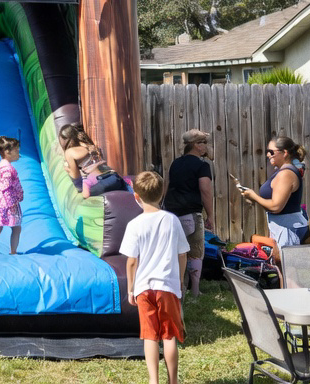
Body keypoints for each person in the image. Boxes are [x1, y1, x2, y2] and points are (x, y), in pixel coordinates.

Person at [122, 170, 189, 384]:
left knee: (150, 336)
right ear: (162, 194)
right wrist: (179, 279)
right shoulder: (171, 220)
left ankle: (153, 380)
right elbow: (182, 254)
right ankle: (173, 380)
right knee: (169, 336)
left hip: (143, 288)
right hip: (167, 285)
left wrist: (131, 288)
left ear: (136, 196)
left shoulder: (134, 225)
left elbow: (131, 261)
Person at [162, 129, 214, 299]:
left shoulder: (175, 163)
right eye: (204, 143)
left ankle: (179, 288)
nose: (206, 146)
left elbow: (166, 187)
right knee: (196, 251)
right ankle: (195, 291)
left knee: (175, 252)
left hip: (171, 214)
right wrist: (210, 216)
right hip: (191, 215)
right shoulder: (202, 166)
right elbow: (205, 190)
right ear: (196, 145)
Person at [240, 136, 309, 251]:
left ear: (284, 153)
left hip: (289, 230)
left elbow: (276, 206)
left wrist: (254, 197)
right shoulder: (282, 171)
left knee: (287, 267)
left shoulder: (286, 174)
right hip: (283, 228)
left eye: (271, 152)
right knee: (280, 266)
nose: (267, 155)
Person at [59, 122, 128, 198]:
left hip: (100, 184)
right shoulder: (89, 145)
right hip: (114, 178)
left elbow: (76, 178)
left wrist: (68, 170)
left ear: (65, 140)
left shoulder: (69, 152)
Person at [0, 135, 24, 255]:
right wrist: (15, 200)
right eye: (17, 151)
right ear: (7, 152)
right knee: (16, 228)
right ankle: (13, 251)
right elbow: (6, 188)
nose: (19, 153)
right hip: (8, 204)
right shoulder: (8, 169)